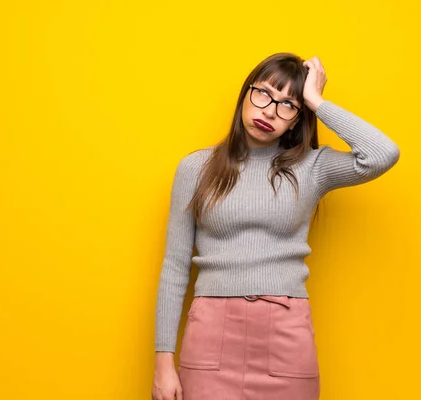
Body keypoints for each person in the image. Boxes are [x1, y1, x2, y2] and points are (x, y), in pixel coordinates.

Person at [151, 53, 400, 400]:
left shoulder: (312, 168)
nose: (269, 111)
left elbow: (381, 154)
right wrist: (163, 363)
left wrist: (316, 101)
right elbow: (174, 267)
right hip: (211, 335)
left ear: (298, 120)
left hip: (286, 334)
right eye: (264, 94)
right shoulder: (195, 168)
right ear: (246, 93)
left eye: (288, 105)